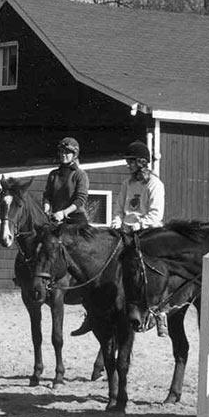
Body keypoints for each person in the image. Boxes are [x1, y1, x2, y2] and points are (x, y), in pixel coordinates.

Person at [71, 140, 166, 337]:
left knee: (150, 270)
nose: (127, 165)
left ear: (141, 162)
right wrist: (116, 223)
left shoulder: (155, 184)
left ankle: (159, 312)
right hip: (125, 231)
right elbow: (118, 208)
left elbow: (155, 215)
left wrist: (135, 226)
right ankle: (93, 312)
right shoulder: (127, 183)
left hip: (147, 233)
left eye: (131, 161)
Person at [43, 137, 89, 225]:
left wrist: (64, 212)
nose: (63, 154)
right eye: (61, 152)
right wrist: (46, 207)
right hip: (57, 218)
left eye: (67, 152)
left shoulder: (80, 174)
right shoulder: (53, 174)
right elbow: (47, 196)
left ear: (74, 155)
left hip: (75, 220)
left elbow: (80, 199)